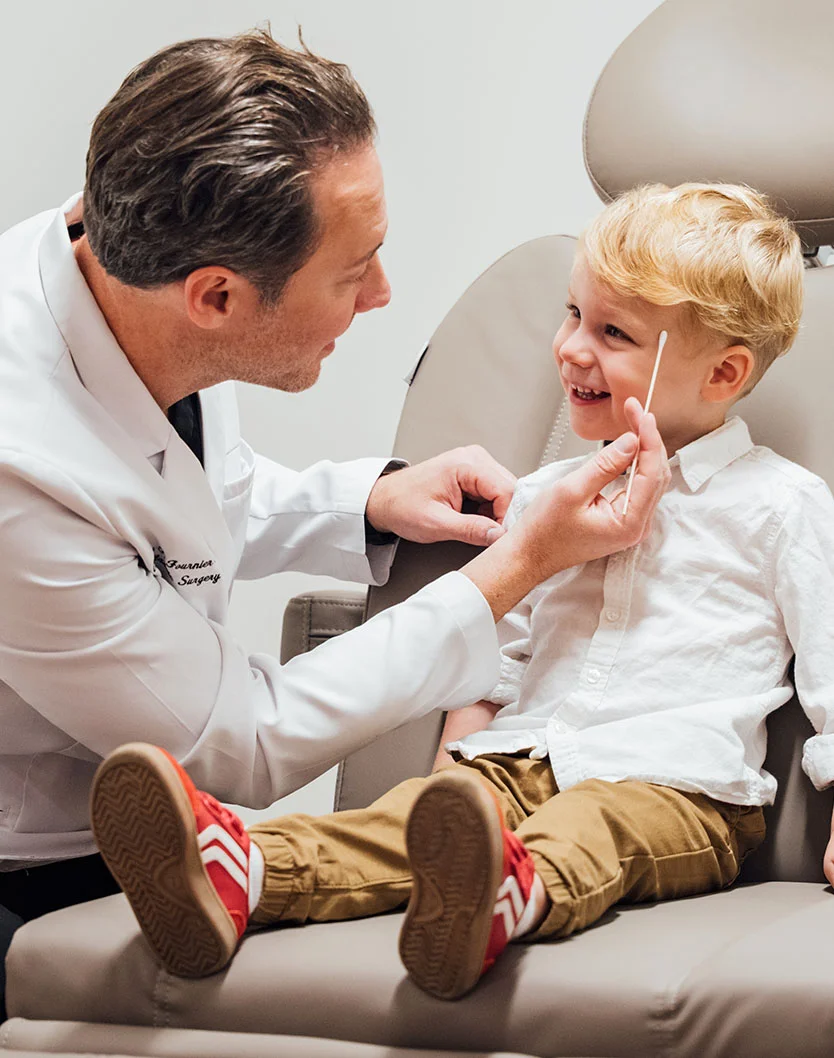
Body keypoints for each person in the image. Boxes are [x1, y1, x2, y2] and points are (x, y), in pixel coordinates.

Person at [0, 30, 668, 1016]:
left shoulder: (122, 267)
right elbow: (244, 739)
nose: (384, 293)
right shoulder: (19, 460)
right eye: (354, 271)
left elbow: (181, 503)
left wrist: (362, 498)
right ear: (217, 296)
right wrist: (517, 566)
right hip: (29, 862)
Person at [92, 181, 834, 1000]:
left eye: (612, 333)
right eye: (571, 314)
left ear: (724, 372)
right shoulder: (552, 492)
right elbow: (499, 651)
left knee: (593, 829)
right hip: (520, 763)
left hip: (676, 788)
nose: (571, 348)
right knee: (394, 825)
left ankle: (507, 896)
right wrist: (452, 778)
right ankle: (245, 870)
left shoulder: (782, 507)